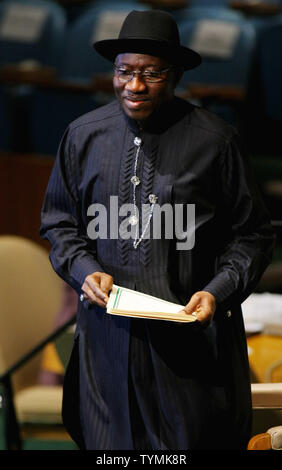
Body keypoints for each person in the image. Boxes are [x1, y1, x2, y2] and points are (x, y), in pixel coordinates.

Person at [40, 10, 275, 450]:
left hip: (190, 348)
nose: (135, 85)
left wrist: (218, 291)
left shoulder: (215, 141)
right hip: (106, 346)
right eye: (125, 71)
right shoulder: (81, 135)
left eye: (151, 73)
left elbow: (253, 235)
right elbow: (58, 221)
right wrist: (84, 268)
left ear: (176, 75)